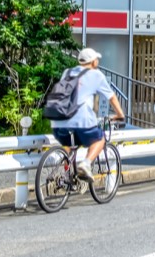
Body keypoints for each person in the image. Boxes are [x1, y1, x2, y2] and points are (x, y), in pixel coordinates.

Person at [51, 47, 125, 182]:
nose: (97, 61)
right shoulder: (96, 75)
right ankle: (86, 164)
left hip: (58, 122)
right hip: (80, 121)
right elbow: (112, 97)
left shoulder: (67, 72)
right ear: (93, 62)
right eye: (97, 59)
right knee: (100, 139)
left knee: (69, 145)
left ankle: (66, 175)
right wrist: (120, 115)